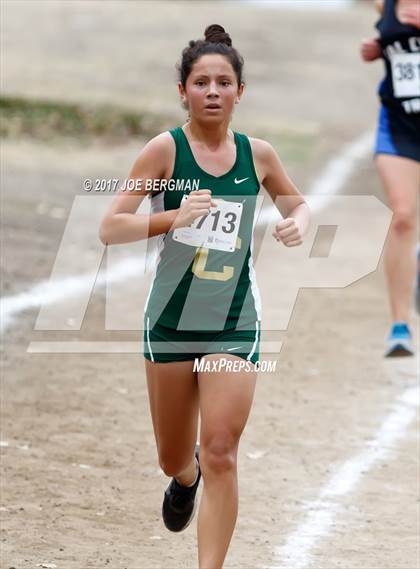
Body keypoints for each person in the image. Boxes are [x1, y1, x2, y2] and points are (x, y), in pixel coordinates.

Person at [99, 24, 310, 569]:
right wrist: (172, 216)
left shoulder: (257, 155)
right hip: (169, 321)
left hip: (233, 322)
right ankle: (183, 476)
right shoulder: (163, 151)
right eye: (200, 82)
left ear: (241, 92)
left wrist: (298, 224)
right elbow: (111, 226)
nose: (212, 91)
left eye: (223, 82)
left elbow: (297, 204)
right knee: (176, 455)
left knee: (221, 450)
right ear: (183, 91)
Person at [360, 0, 420, 357]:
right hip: (398, 127)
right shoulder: (387, 3)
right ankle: (400, 326)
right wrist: (378, 47)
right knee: (402, 216)